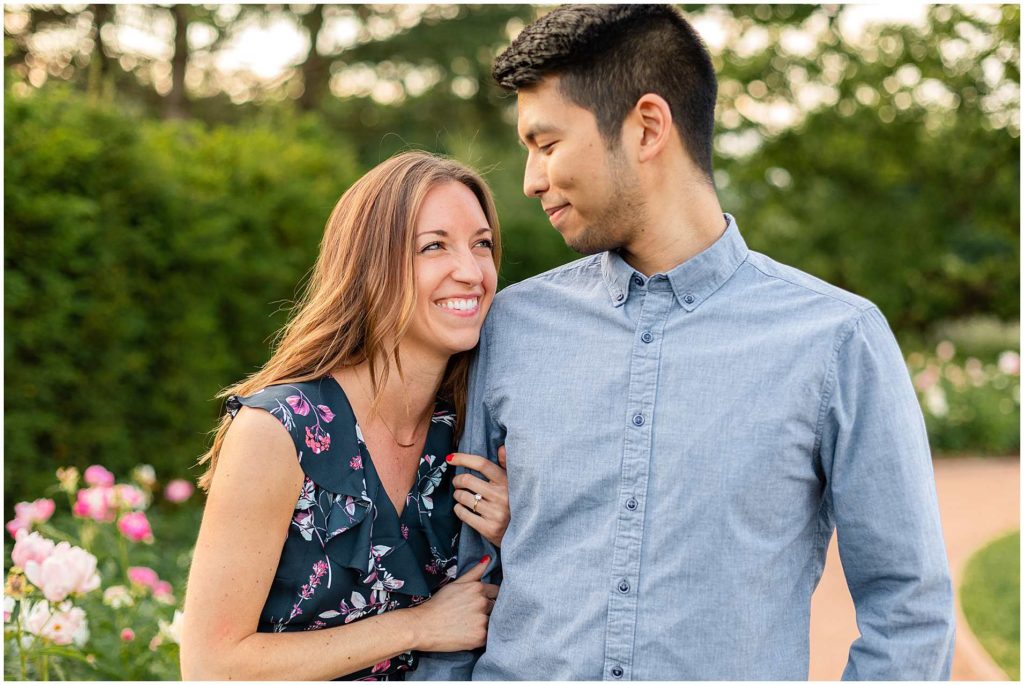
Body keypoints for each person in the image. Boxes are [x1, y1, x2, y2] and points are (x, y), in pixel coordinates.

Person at [411, 5, 954, 681]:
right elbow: (467, 584)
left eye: (546, 144)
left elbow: (909, 608)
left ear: (647, 127)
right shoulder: (511, 325)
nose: (530, 180)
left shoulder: (836, 342)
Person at [180, 151, 511, 680]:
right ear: (369, 264)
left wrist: (515, 533)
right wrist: (417, 625)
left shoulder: (474, 426)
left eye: (482, 245)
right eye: (434, 247)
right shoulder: (279, 431)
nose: (471, 272)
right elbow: (212, 667)